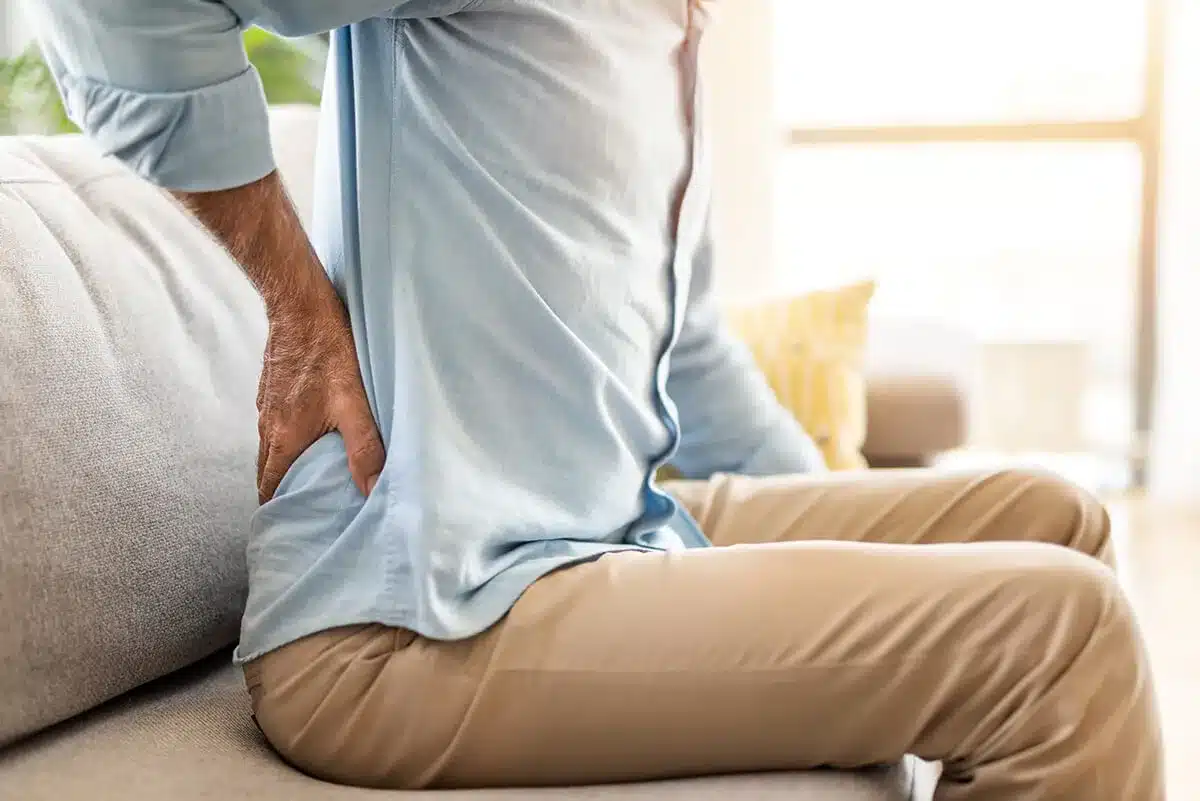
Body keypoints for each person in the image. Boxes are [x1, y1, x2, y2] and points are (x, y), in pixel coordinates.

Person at [31, 2, 1164, 798]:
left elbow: (697, 354)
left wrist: (850, 587)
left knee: (1054, 519)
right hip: (409, 627)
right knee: (1062, 636)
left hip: (597, 532)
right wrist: (295, 303)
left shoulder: (664, 44)